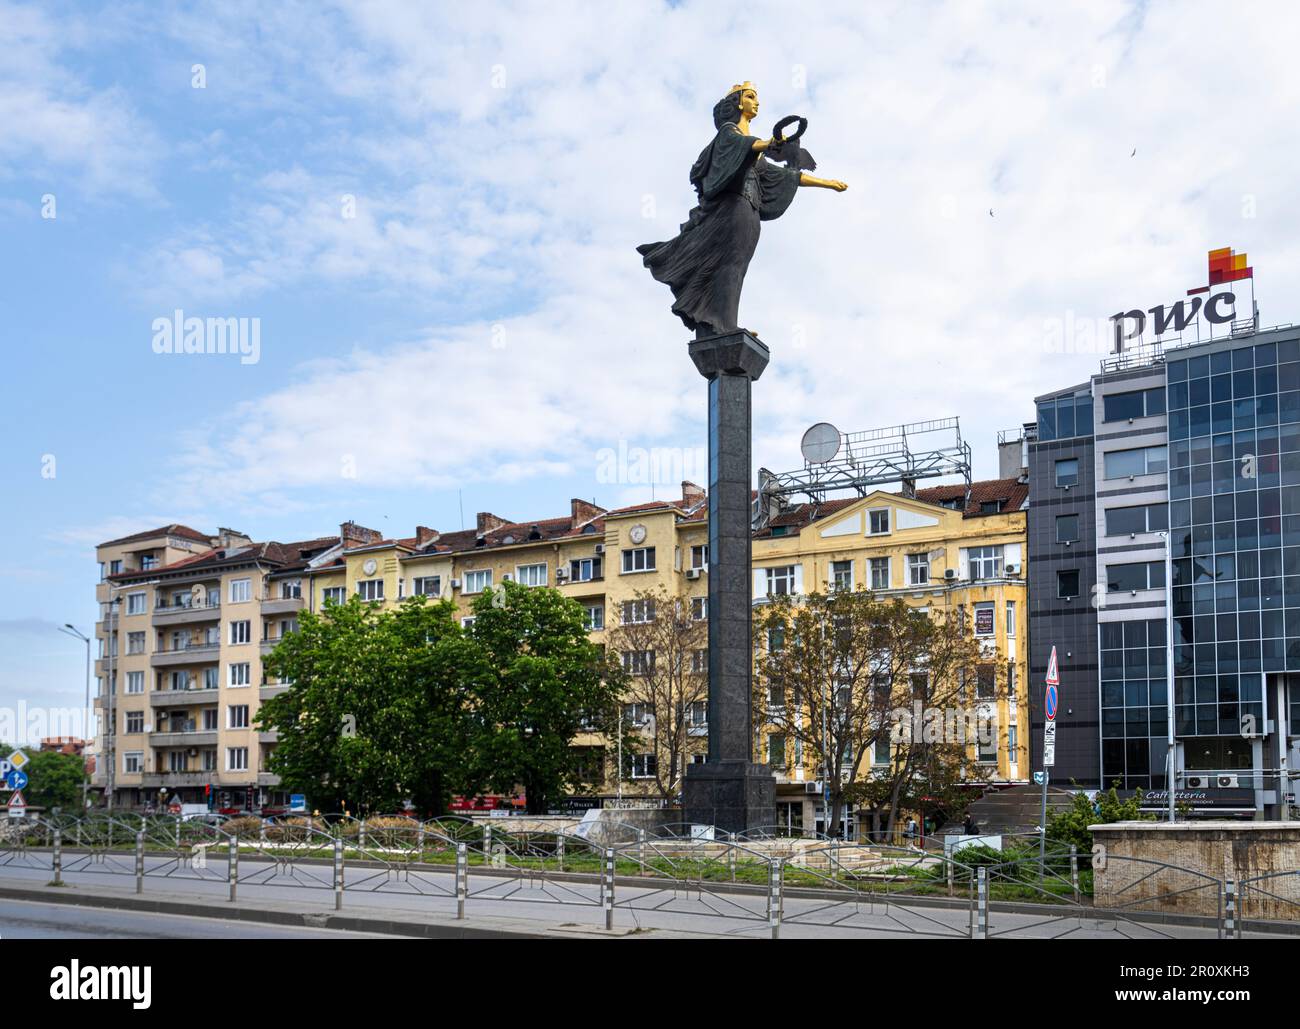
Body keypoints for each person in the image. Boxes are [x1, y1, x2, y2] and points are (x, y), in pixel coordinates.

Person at [638, 82, 848, 338]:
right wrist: (769, 143)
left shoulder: (753, 149)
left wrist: (828, 183)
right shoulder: (729, 134)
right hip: (733, 209)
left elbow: (785, 175)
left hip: (749, 212)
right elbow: (746, 145)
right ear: (737, 103)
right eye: (750, 97)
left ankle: (723, 323)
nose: (756, 101)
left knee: (736, 267)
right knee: (729, 265)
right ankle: (724, 326)